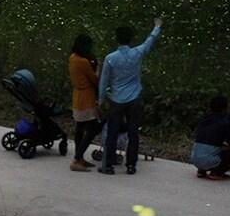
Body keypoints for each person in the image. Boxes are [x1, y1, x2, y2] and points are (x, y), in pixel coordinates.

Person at [97, 17, 162, 175]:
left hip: (116, 98)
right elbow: (149, 42)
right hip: (134, 97)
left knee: (112, 132)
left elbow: (104, 81)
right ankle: (131, 165)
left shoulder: (110, 58)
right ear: (131, 39)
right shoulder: (137, 53)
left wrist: (100, 99)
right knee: (133, 132)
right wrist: (157, 27)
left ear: (116, 38)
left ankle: (108, 165)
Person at [68, 33, 101, 172]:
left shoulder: (72, 58)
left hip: (77, 96)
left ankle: (79, 158)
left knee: (80, 128)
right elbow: (95, 79)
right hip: (87, 98)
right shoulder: (83, 62)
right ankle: (77, 158)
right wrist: (99, 67)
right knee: (93, 128)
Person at [191, 95, 230, 179]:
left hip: (195, 159)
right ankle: (217, 172)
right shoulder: (224, 122)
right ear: (224, 109)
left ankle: (201, 170)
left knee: (212, 148)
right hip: (208, 159)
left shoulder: (204, 119)